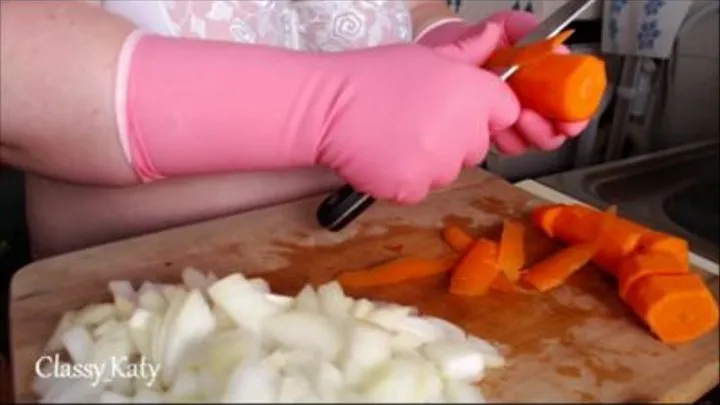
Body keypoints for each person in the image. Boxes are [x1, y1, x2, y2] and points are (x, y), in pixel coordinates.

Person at [0, 0, 588, 259]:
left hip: (372, 267)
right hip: (136, 296)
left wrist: (447, 46)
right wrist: (321, 107)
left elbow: (409, 7)